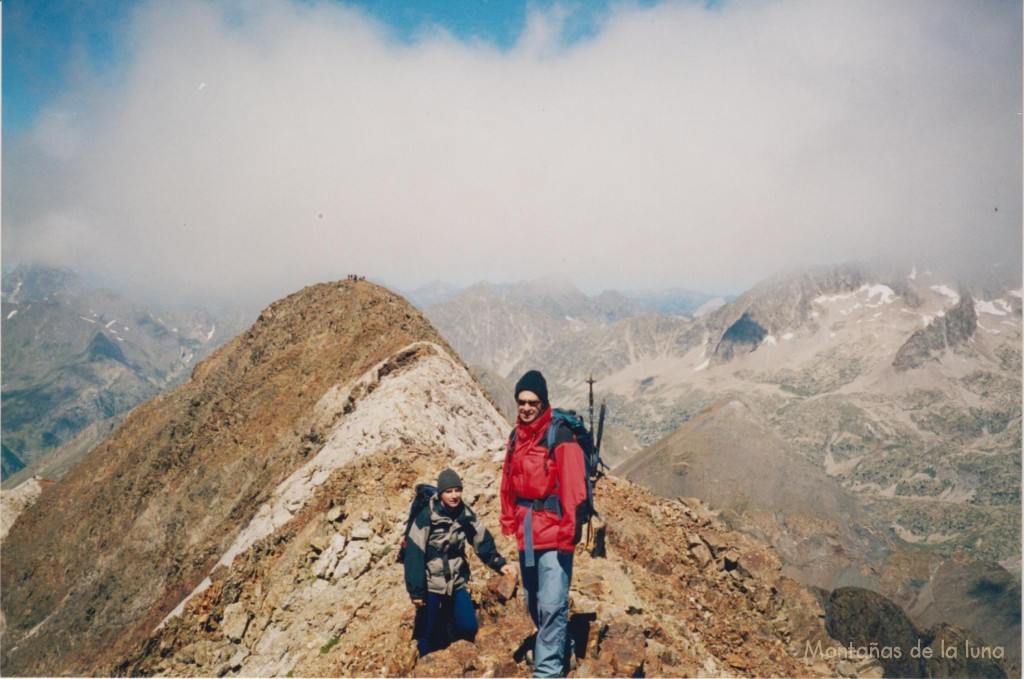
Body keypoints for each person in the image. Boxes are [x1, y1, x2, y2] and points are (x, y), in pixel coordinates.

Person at [500, 370, 588, 677]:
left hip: (554, 534)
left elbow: (575, 491)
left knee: (552, 603)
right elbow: (508, 482)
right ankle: (562, 646)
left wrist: (568, 536)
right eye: (521, 401)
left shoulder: (559, 436)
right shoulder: (516, 438)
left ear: (543, 402)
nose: (525, 408)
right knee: (533, 602)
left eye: (532, 402)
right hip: (527, 533)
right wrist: (507, 517)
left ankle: (547, 671)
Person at [404, 468, 516, 657]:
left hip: (456, 581)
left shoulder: (464, 513)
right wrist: (416, 590)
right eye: (449, 491)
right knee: (426, 634)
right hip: (431, 583)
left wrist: (499, 563)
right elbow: (413, 554)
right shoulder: (426, 516)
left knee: (468, 626)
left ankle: (453, 645)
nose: (454, 495)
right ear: (440, 494)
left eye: (457, 490)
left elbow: (481, 539)